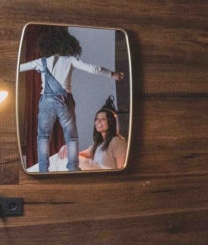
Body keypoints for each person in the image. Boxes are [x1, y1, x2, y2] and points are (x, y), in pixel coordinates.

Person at [19, 27, 124, 172]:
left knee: (43, 137)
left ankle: (43, 169)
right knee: (71, 137)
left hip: (46, 101)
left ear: (46, 45)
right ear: (67, 44)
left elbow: (19, 67)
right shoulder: (70, 60)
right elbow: (94, 69)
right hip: (64, 101)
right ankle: (73, 167)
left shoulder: (41, 62)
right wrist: (113, 75)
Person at [61, 106, 127, 170]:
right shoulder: (98, 144)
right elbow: (79, 155)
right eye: (97, 119)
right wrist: (68, 149)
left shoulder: (116, 141)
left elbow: (122, 170)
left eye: (103, 119)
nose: (98, 121)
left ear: (110, 122)